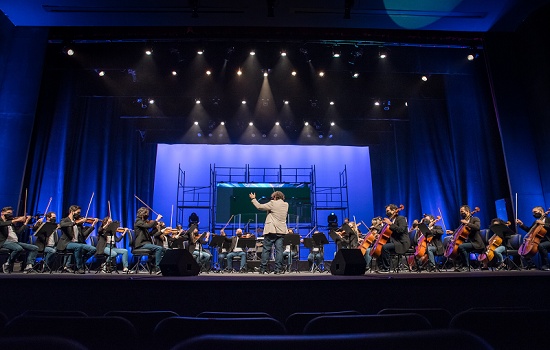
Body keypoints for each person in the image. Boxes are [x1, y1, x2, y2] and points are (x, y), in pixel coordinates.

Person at [249, 190, 289, 274]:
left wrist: (253, 199)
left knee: (266, 249)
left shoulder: (272, 203)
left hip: (272, 230)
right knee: (279, 251)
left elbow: (260, 207)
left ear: (275, 197)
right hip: (281, 231)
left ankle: (263, 269)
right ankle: (278, 269)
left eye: (272, 197)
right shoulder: (286, 205)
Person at [57, 205, 98, 274]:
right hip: (67, 243)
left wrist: (92, 226)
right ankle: (80, 268)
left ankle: (81, 261)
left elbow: (84, 235)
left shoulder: (79, 223)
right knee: (78, 247)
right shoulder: (65, 220)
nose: (79, 215)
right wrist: (75, 222)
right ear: (72, 212)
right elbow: (62, 225)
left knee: (93, 249)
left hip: (77, 243)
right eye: (78, 213)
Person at [1, 206, 38, 273]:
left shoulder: (11, 222)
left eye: (11, 213)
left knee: (34, 248)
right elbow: (2, 224)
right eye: (8, 213)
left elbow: (18, 232)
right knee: (18, 248)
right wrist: (16, 220)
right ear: (2, 213)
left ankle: (29, 266)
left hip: (14, 242)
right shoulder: (3, 221)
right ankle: (7, 264)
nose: (10, 215)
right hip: (4, 241)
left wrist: (25, 223)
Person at [447, 205, 483, 272]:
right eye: (460, 212)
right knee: (456, 247)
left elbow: (477, 227)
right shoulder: (464, 222)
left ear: (467, 211)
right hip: (469, 242)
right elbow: (460, 232)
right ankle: (461, 264)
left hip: (476, 243)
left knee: (461, 247)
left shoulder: (475, 219)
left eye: (462, 211)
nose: (461, 213)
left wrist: (467, 223)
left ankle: (466, 266)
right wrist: (452, 232)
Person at [376, 204, 410, 273]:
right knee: (379, 247)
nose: (386, 212)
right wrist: (379, 235)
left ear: (394, 210)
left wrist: (390, 224)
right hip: (395, 242)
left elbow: (401, 230)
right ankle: (381, 267)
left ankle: (387, 268)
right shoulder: (392, 220)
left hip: (402, 243)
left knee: (385, 247)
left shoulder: (401, 218)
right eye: (386, 211)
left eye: (388, 211)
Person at [517, 206, 550, 271]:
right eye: (533, 213)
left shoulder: (548, 220)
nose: (534, 214)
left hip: (548, 240)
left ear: (541, 211)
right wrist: (521, 224)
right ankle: (531, 265)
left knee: (541, 246)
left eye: (535, 212)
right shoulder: (536, 222)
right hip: (538, 240)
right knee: (524, 248)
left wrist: (543, 224)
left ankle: (546, 265)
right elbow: (530, 230)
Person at [133, 207, 165, 274]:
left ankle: (165, 267)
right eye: (146, 214)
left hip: (146, 243)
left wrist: (157, 229)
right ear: (142, 214)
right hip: (141, 244)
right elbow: (148, 226)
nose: (147, 216)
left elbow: (150, 234)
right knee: (159, 248)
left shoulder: (143, 222)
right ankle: (157, 268)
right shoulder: (138, 221)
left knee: (165, 250)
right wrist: (156, 220)